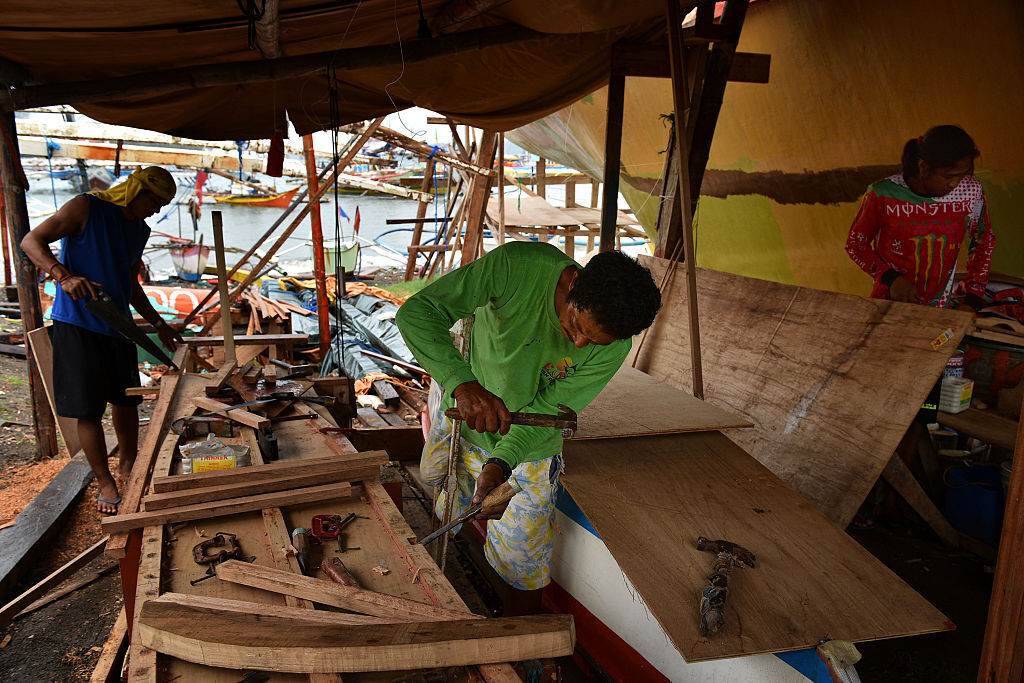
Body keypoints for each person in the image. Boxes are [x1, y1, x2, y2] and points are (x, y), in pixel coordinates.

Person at [396, 241, 661, 614]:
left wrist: (499, 463)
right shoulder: (517, 267)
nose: (580, 343)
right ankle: (436, 585)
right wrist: (462, 383)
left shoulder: (613, 346)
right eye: (576, 326)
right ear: (573, 284)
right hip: (465, 414)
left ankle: (523, 642)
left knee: (523, 560)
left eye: (593, 341)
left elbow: (548, 411)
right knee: (443, 494)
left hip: (531, 448)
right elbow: (417, 313)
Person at [21, 166, 184, 514]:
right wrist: (62, 275)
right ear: (137, 190)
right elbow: (30, 241)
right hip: (78, 324)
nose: (156, 210)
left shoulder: (139, 229)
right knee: (87, 409)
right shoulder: (85, 207)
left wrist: (158, 322)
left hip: (118, 325)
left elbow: (129, 281)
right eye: (155, 201)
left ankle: (128, 465)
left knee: (126, 402)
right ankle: (105, 481)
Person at [845, 124, 996, 311]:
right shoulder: (883, 194)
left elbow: (984, 240)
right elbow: (855, 244)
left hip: (940, 308)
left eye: (962, 175)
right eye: (949, 176)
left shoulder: (970, 192)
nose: (955, 184)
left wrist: (973, 299)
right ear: (924, 167)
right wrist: (891, 279)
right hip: (888, 306)